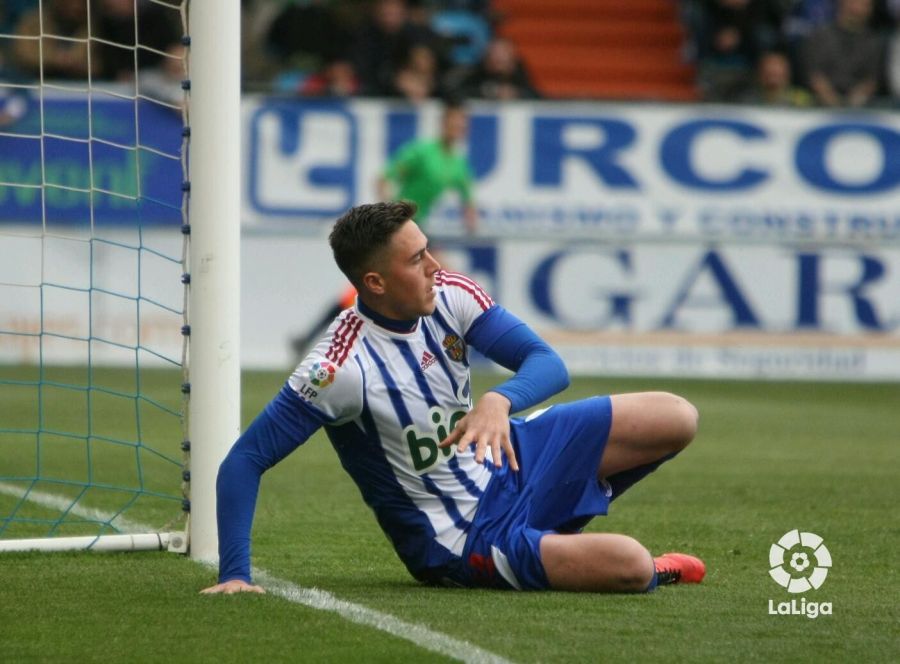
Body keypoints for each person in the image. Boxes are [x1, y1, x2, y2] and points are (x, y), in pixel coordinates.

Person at [202, 201, 705, 595]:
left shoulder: (450, 294)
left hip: (507, 458)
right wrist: (236, 573)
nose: (435, 266)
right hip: (462, 537)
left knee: (676, 417)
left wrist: (500, 400)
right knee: (632, 566)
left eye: (428, 249)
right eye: (417, 258)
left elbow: (548, 363)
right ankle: (612, 561)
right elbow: (245, 459)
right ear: (375, 282)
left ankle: (551, 540)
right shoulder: (340, 369)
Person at [377, 101, 477, 234]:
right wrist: (390, 215)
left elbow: (468, 199)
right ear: (443, 123)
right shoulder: (421, 152)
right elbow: (383, 179)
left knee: (435, 254)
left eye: (461, 125)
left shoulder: (459, 164)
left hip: (420, 222)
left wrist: (472, 225)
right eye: (454, 123)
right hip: (401, 221)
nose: (458, 127)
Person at [802, 0, 885, 107]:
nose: (857, 9)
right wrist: (833, 102)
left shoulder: (874, 43)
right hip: (820, 106)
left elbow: (872, 81)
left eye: (864, 5)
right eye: (853, 2)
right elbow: (814, 76)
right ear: (841, 3)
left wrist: (853, 102)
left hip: (861, 108)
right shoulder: (819, 37)